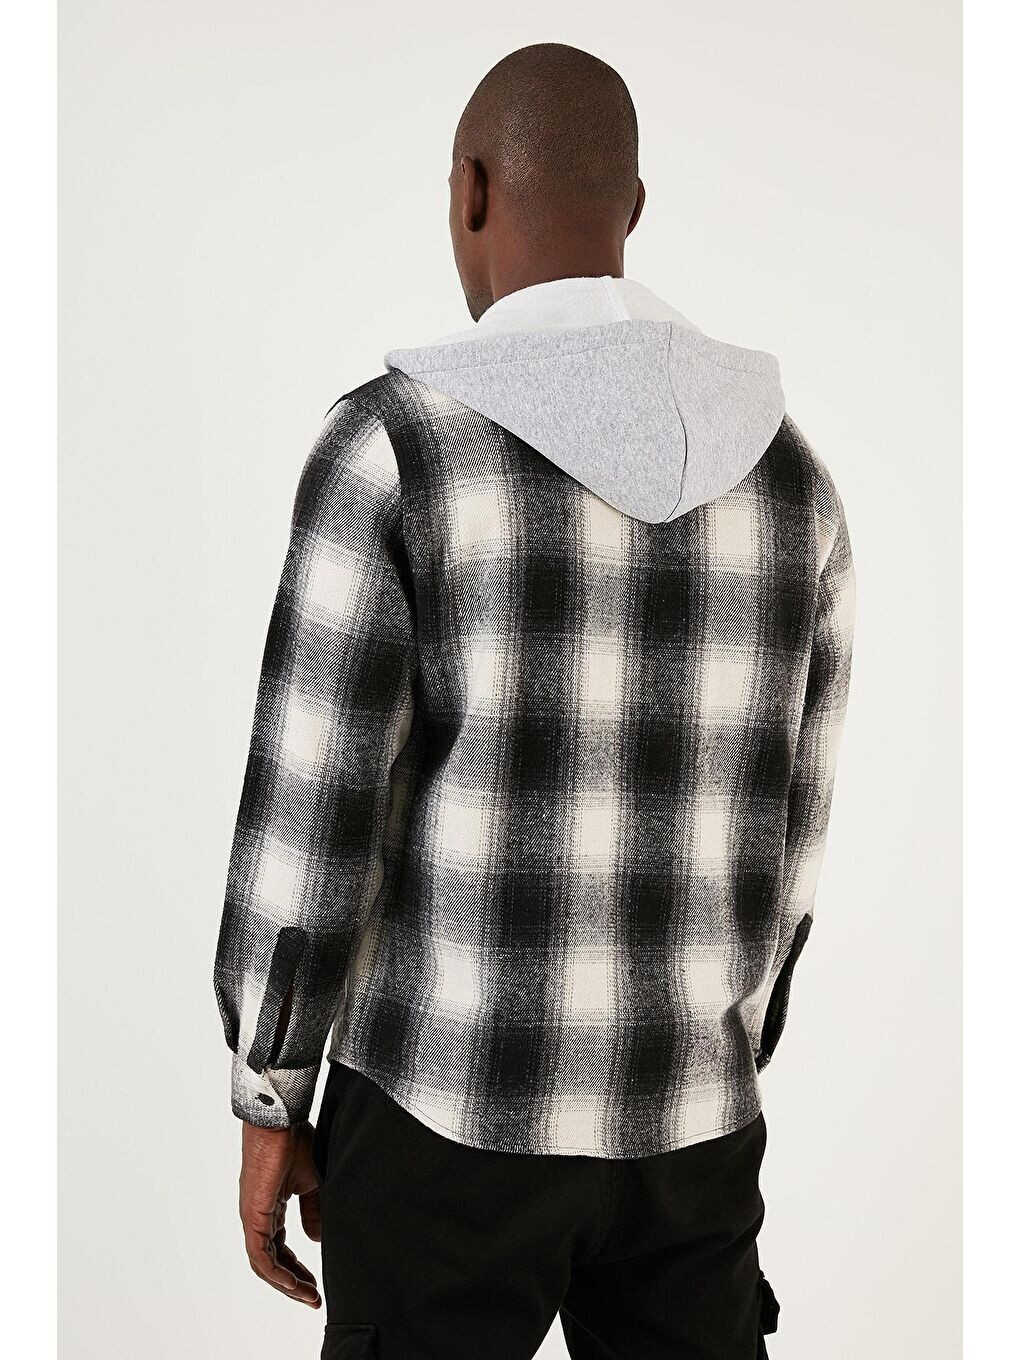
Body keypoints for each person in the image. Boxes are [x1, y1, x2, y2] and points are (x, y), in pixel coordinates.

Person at [213, 41, 855, 1360]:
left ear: (470, 191)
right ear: (633, 209)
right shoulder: (795, 482)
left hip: (444, 1117)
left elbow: (315, 812)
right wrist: (724, 1043)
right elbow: (797, 836)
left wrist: (274, 1089)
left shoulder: (397, 451)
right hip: (692, 1134)